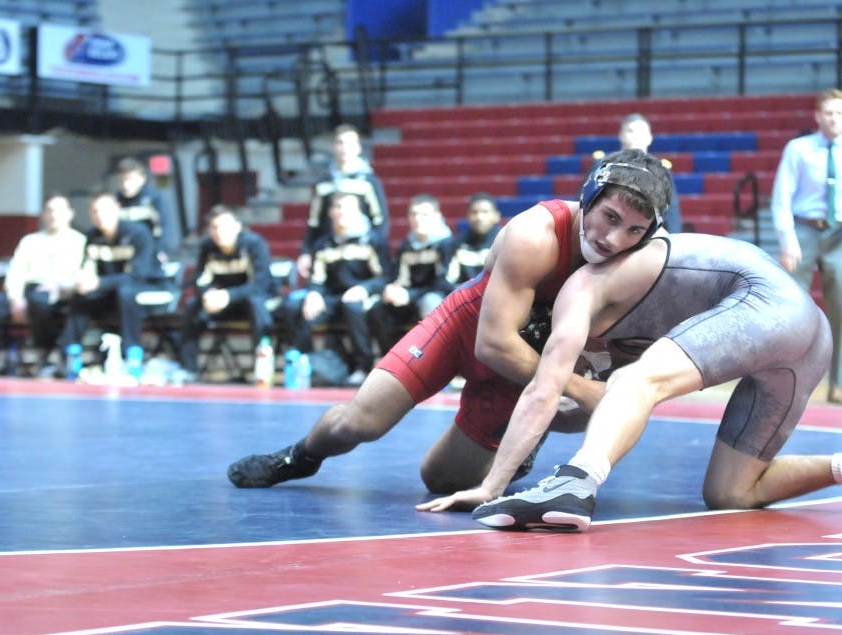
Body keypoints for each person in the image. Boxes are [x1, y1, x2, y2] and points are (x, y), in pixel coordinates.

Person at [424, 203, 842, 531]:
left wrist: (492, 486)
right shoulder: (648, 258)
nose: (613, 238)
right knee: (731, 492)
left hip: (765, 306)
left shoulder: (584, 285)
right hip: (808, 334)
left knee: (635, 381)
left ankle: (577, 481)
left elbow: (545, 391)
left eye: (627, 226)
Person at [227, 149, 669, 495]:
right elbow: (492, 345)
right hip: (468, 330)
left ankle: (529, 429)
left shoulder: (644, 259)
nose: (612, 240)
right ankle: (297, 457)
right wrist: (577, 387)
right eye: (609, 217)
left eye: (633, 230)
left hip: (525, 367)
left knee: (440, 480)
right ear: (588, 197)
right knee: (359, 422)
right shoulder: (534, 235)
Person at [771, 88, 842, 404]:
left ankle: (838, 382)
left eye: (839, 113)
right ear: (817, 116)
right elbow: (781, 198)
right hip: (805, 231)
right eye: (828, 113)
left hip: (840, 235)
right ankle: (785, 379)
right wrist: (788, 239)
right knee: (791, 310)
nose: (833, 118)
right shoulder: (798, 149)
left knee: (840, 310)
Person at [278, 191, 390, 385]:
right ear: (330, 212)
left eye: (347, 209)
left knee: (353, 306)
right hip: (331, 298)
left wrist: (364, 288)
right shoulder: (323, 244)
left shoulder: (373, 241)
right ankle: (308, 363)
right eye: (337, 208)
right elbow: (317, 279)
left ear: (359, 212)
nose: (341, 213)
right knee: (294, 307)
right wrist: (314, 293)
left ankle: (363, 367)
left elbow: (386, 277)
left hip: (361, 297)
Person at [0, 193, 86, 375]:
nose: (54, 215)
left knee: (40, 302)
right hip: (25, 292)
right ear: (44, 214)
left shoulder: (80, 241)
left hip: (60, 295)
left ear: (70, 213)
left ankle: (45, 353)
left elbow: (83, 273)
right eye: (50, 210)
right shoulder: (30, 241)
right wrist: (15, 298)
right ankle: (2, 351)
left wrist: (61, 286)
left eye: (59, 210)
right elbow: (16, 272)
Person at [58, 191, 163, 361]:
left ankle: (133, 353)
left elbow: (137, 275)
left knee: (126, 292)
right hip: (109, 291)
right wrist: (82, 281)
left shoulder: (138, 233)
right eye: (95, 211)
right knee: (80, 296)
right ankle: (71, 354)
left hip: (147, 289)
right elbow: (88, 268)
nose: (100, 215)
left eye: (104, 210)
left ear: (117, 209)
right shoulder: (92, 237)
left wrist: (98, 283)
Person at [178, 205, 277, 380]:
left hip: (252, 301)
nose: (219, 232)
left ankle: (262, 368)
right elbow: (200, 279)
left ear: (237, 226)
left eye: (224, 226)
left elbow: (261, 285)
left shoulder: (254, 244)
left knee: (255, 304)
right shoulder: (208, 247)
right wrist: (207, 295)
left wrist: (227, 295)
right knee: (192, 306)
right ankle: (188, 369)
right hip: (221, 304)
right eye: (214, 227)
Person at [366, 194, 456, 366]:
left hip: (439, 299)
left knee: (431, 302)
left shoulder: (448, 244)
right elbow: (399, 278)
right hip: (411, 299)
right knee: (377, 307)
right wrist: (392, 289)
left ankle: (437, 365)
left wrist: (410, 295)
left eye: (424, 214)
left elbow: (444, 284)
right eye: (414, 214)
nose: (418, 219)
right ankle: (394, 362)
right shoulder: (406, 245)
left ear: (438, 217)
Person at [298, 124, 390, 280]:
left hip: (361, 253)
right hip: (330, 252)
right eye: (340, 143)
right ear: (334, 147)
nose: (345, 148)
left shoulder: (369, 182)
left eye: (350, 144)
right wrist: (306, 252)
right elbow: (314, 222)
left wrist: (375, 250)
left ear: (358, 148)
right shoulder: (324, 183)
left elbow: (381, 221)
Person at [618, 113, 683, 233]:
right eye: (630, 131)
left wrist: (673, 242)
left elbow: (672, 211)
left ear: (649, 138)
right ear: (621, 135)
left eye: (641, 132)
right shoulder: (603, 165)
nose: (635, 136)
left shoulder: (660, 170)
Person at [115, 157, 173, 263]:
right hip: (126, 253)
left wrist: (161, 249)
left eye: (129, 179)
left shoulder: (153, 198)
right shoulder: (116, 200)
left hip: (151, 252)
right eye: (122, 181)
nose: (125, 185)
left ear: (142, 179)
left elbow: (164, 225)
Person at [446, 193, 503, 286]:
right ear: (467, 216)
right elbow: (449, 280)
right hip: (466, 297)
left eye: (485, 212)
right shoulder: (458, 243)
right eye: (474, 212)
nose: (479, 217)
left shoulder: (504, 242)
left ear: (496, 216)